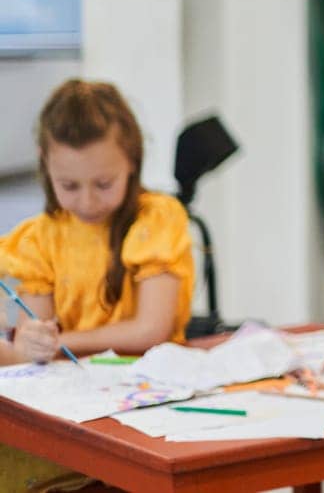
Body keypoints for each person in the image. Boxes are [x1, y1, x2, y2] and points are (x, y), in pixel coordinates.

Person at [0, 79, 197, 491]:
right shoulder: (40, 237)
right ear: (45, 165)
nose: (87, 202)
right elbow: (33, 342)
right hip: (78, 421)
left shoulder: (157, 219)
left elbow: (150, 330)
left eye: (103, 184)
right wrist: (31, 343)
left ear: (132, 160)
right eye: (68, 186)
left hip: (157, 416)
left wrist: (60, 340)